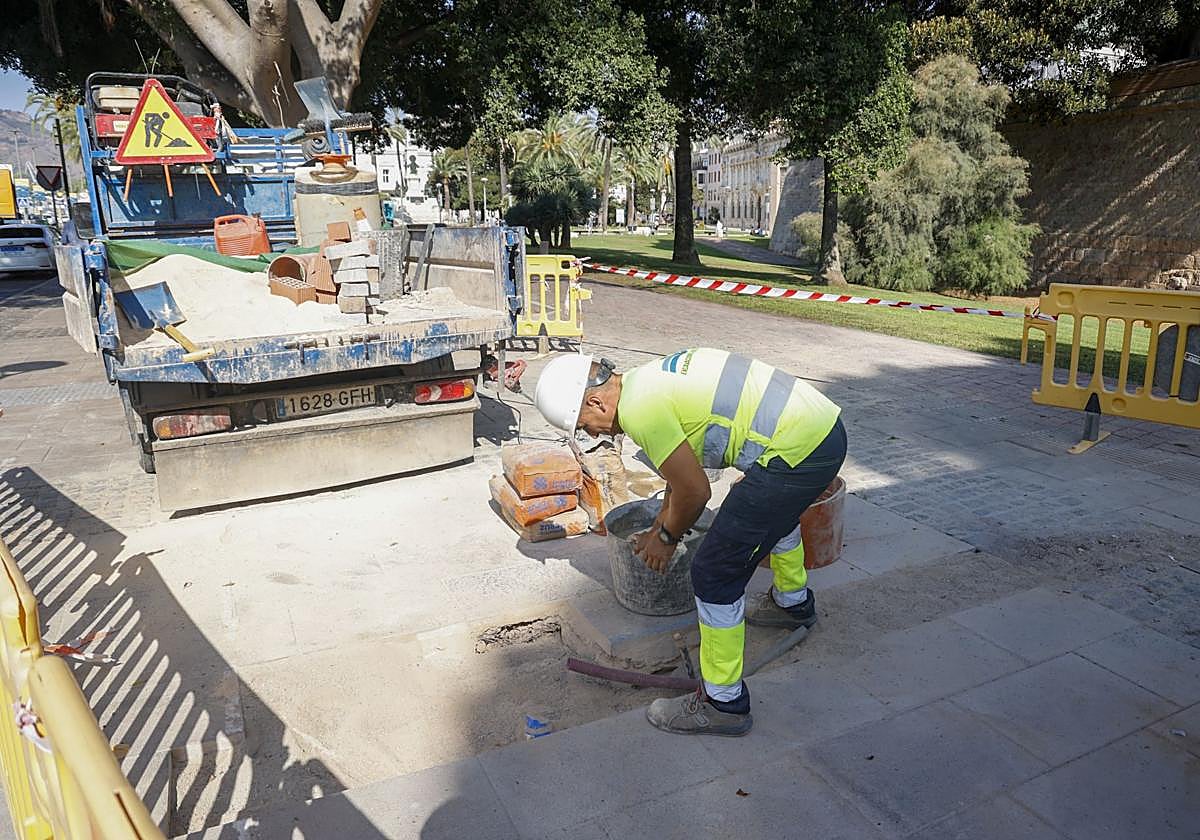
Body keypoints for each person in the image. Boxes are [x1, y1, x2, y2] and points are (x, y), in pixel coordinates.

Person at [534, 349, 846, 736]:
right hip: (822, 432)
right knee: (773, 515)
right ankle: (793, 604)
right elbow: (679, 476)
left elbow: (695, 491)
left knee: (714, 572)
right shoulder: (645, 382)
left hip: (800, 449)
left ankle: (723, 703)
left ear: (596, 401)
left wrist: (666, 538)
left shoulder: (639, 411)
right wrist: (658, 527)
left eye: (585, 425)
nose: (593, 434)